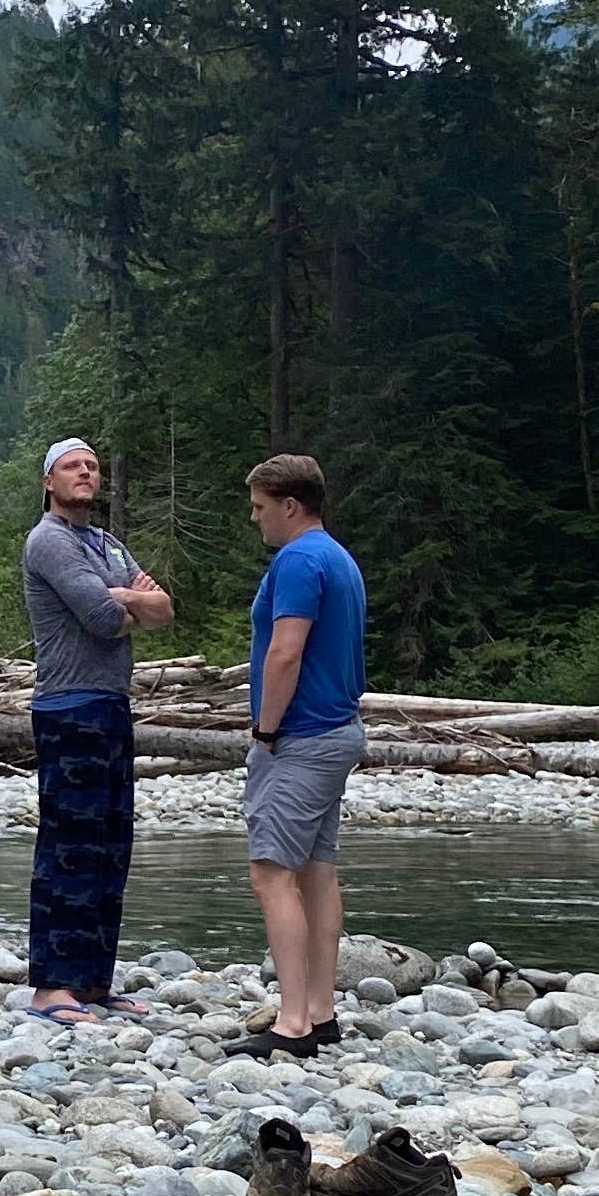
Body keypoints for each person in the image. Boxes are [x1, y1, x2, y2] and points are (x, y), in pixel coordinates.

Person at [20, 437, 172, 1020]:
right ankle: (52, 984)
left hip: (110, 704)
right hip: (67, 707)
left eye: (92, 466)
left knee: (111, 846)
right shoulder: (49, 541)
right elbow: (106, 620)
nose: (85, 473)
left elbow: (167, 610)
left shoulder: (106, 544)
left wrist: (123, 598)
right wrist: (130, 602)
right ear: (49, 482)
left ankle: (92, 981)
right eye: (72, 466)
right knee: (69, 847)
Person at [240, 451, 368, 1058]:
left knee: (271, 872)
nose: (257, 520)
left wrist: (266, 731)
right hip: (338, 732)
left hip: (302, 738)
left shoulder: (296, 561)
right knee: (317, 870)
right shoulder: (339, 558)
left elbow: (284, 652)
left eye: (261, 509)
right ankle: (321, 1009)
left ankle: (293, 1024)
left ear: (290, 506)